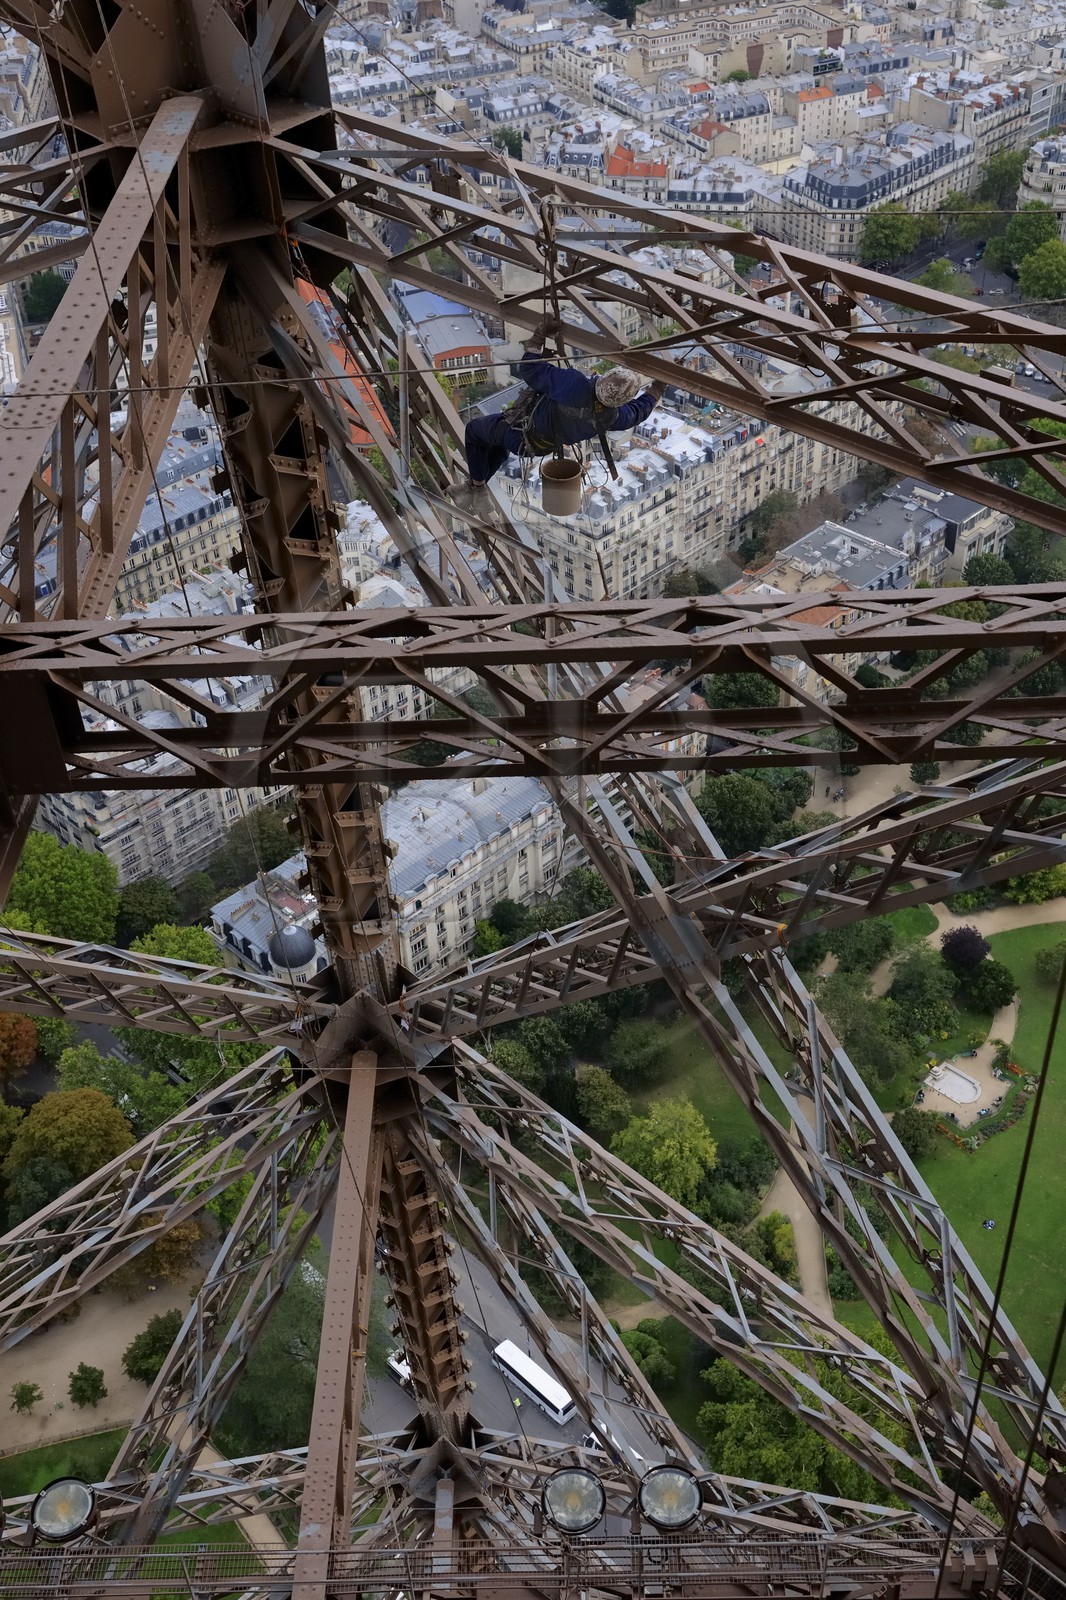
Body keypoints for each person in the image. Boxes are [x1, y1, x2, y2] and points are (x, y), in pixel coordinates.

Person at [464, 315, 666, 491]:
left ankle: (477, 487)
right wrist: (661, 384)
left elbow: (530, 370)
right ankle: (479, 484)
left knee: (474, 431)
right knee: (497, 446)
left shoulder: (575, 385)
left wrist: (539, 335)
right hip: (540, 447)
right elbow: (641, 409)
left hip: (518, 434)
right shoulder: (613, 417)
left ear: (605, 378)